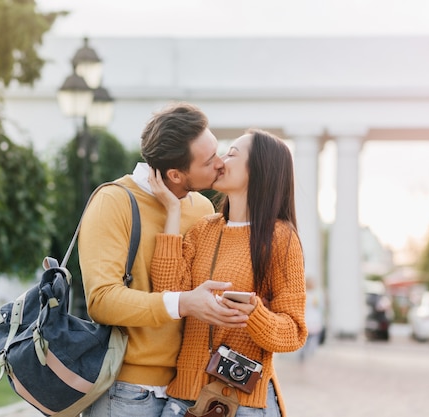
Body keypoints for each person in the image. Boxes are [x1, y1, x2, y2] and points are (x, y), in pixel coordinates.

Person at [78, 102, 249, 417]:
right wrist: (182, 302)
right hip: (127, 393)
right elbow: (101, 301)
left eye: (219, 151)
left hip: (188, 394)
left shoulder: (200, 207)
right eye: (210, 159)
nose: (221, 163)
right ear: (175, 174)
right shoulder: (112, 202)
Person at [149, 128, 308, 417]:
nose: (220, 161)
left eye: (231, 154)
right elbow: (167, 290)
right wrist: (173, 210)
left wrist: (252, 313)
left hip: (240, 404)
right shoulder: (203, 229)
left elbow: (294, 333)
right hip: (182, 400)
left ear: (259, 170)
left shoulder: (280, 238)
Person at [299, 277, 324, 362]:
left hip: (310, 318)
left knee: (309, 337)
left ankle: (305, 352)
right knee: (311, 337)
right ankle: (307, 352)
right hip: (310, 318)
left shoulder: (309, 294)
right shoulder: (311, 295)